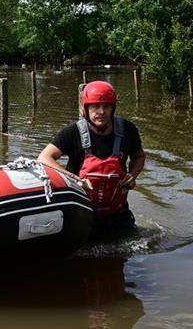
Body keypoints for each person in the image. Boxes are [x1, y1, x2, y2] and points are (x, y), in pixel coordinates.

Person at [37, 80, 146, 235]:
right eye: (95, 106)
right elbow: (44, 157)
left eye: (106, 106)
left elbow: (139, 156)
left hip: (118, 215)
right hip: (80, 214)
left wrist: (132, 175)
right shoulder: (72, 132)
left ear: (113, 108)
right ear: (84, 109)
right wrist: (75, 180)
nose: (101, 112)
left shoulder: (128, 130)